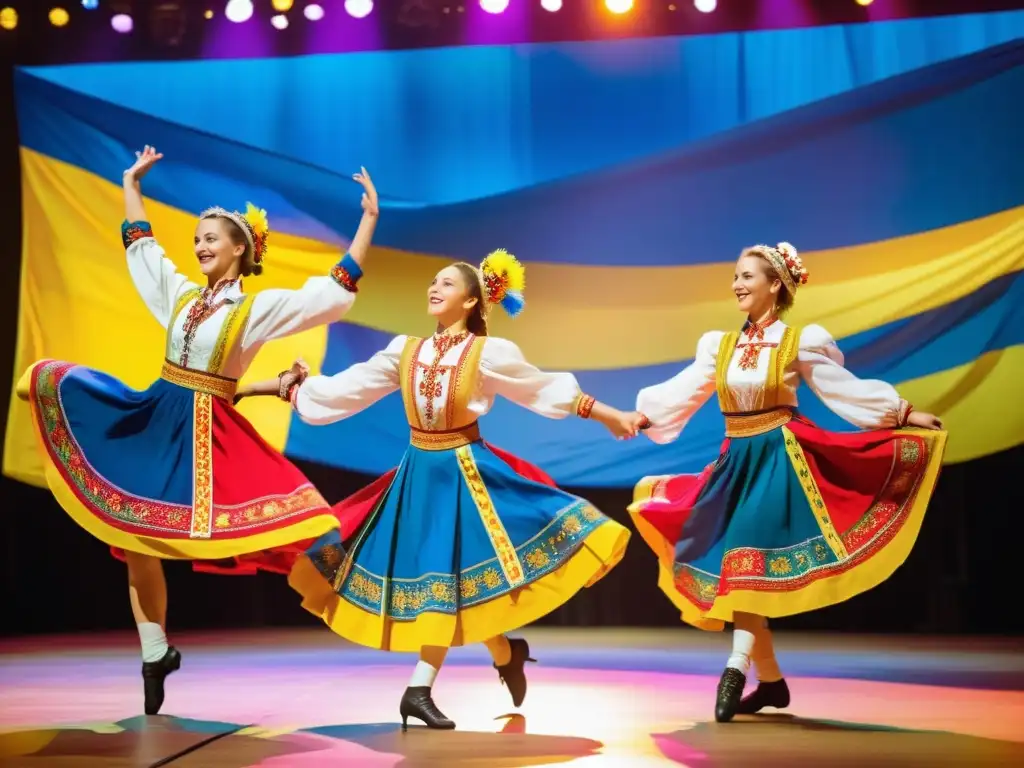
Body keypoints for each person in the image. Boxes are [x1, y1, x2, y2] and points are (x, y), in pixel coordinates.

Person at [16, 145, 380, 716]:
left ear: (240, 248)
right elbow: (143, 249)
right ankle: (155, 650)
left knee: (305, 519)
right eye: (197, 240)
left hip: (211, 431)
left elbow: (329, 296)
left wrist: (369, 222)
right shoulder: (182, 297)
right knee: (132, 532)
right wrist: (131, 183)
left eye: (211, 238)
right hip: (159, 417)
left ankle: (360, 595)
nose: (200, 246)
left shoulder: (255, 308)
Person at [238, 250, 643, 730]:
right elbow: (344, 390)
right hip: (418, 477)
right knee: (449, 585)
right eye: (433, 282)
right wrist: (263, 388)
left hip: (466, 478)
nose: (434, 288)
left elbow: (545, 389)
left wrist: (612, 415)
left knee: (442, 585)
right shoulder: (406, 352)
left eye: (447, 284)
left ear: (471, 301)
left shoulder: (486, 354)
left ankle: (418, 689)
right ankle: (506, 651)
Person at [628, 242, 947, 723]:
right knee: (742, 569)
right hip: (736, 460)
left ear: (775, 284)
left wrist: (903, 413)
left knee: (743, 561)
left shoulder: (798, 341)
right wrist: (642, 416)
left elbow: (842, 388)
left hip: (780, 459)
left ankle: (735, 668)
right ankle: (772, 681)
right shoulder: (721, 345)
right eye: (735, 275)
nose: (737, 284)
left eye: (748, 276)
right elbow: (686, 388)